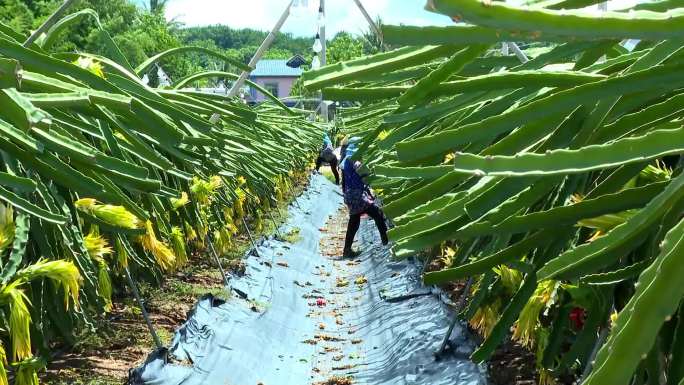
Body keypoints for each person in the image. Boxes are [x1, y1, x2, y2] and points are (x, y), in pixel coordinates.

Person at [339, 137, 388, 257]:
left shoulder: (345, 160)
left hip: (351, 195)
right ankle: (386, 241)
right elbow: (363, 172)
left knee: (354, 221)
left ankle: (347, 250)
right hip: (357, 195)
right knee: (377, 214)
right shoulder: (354, 160)